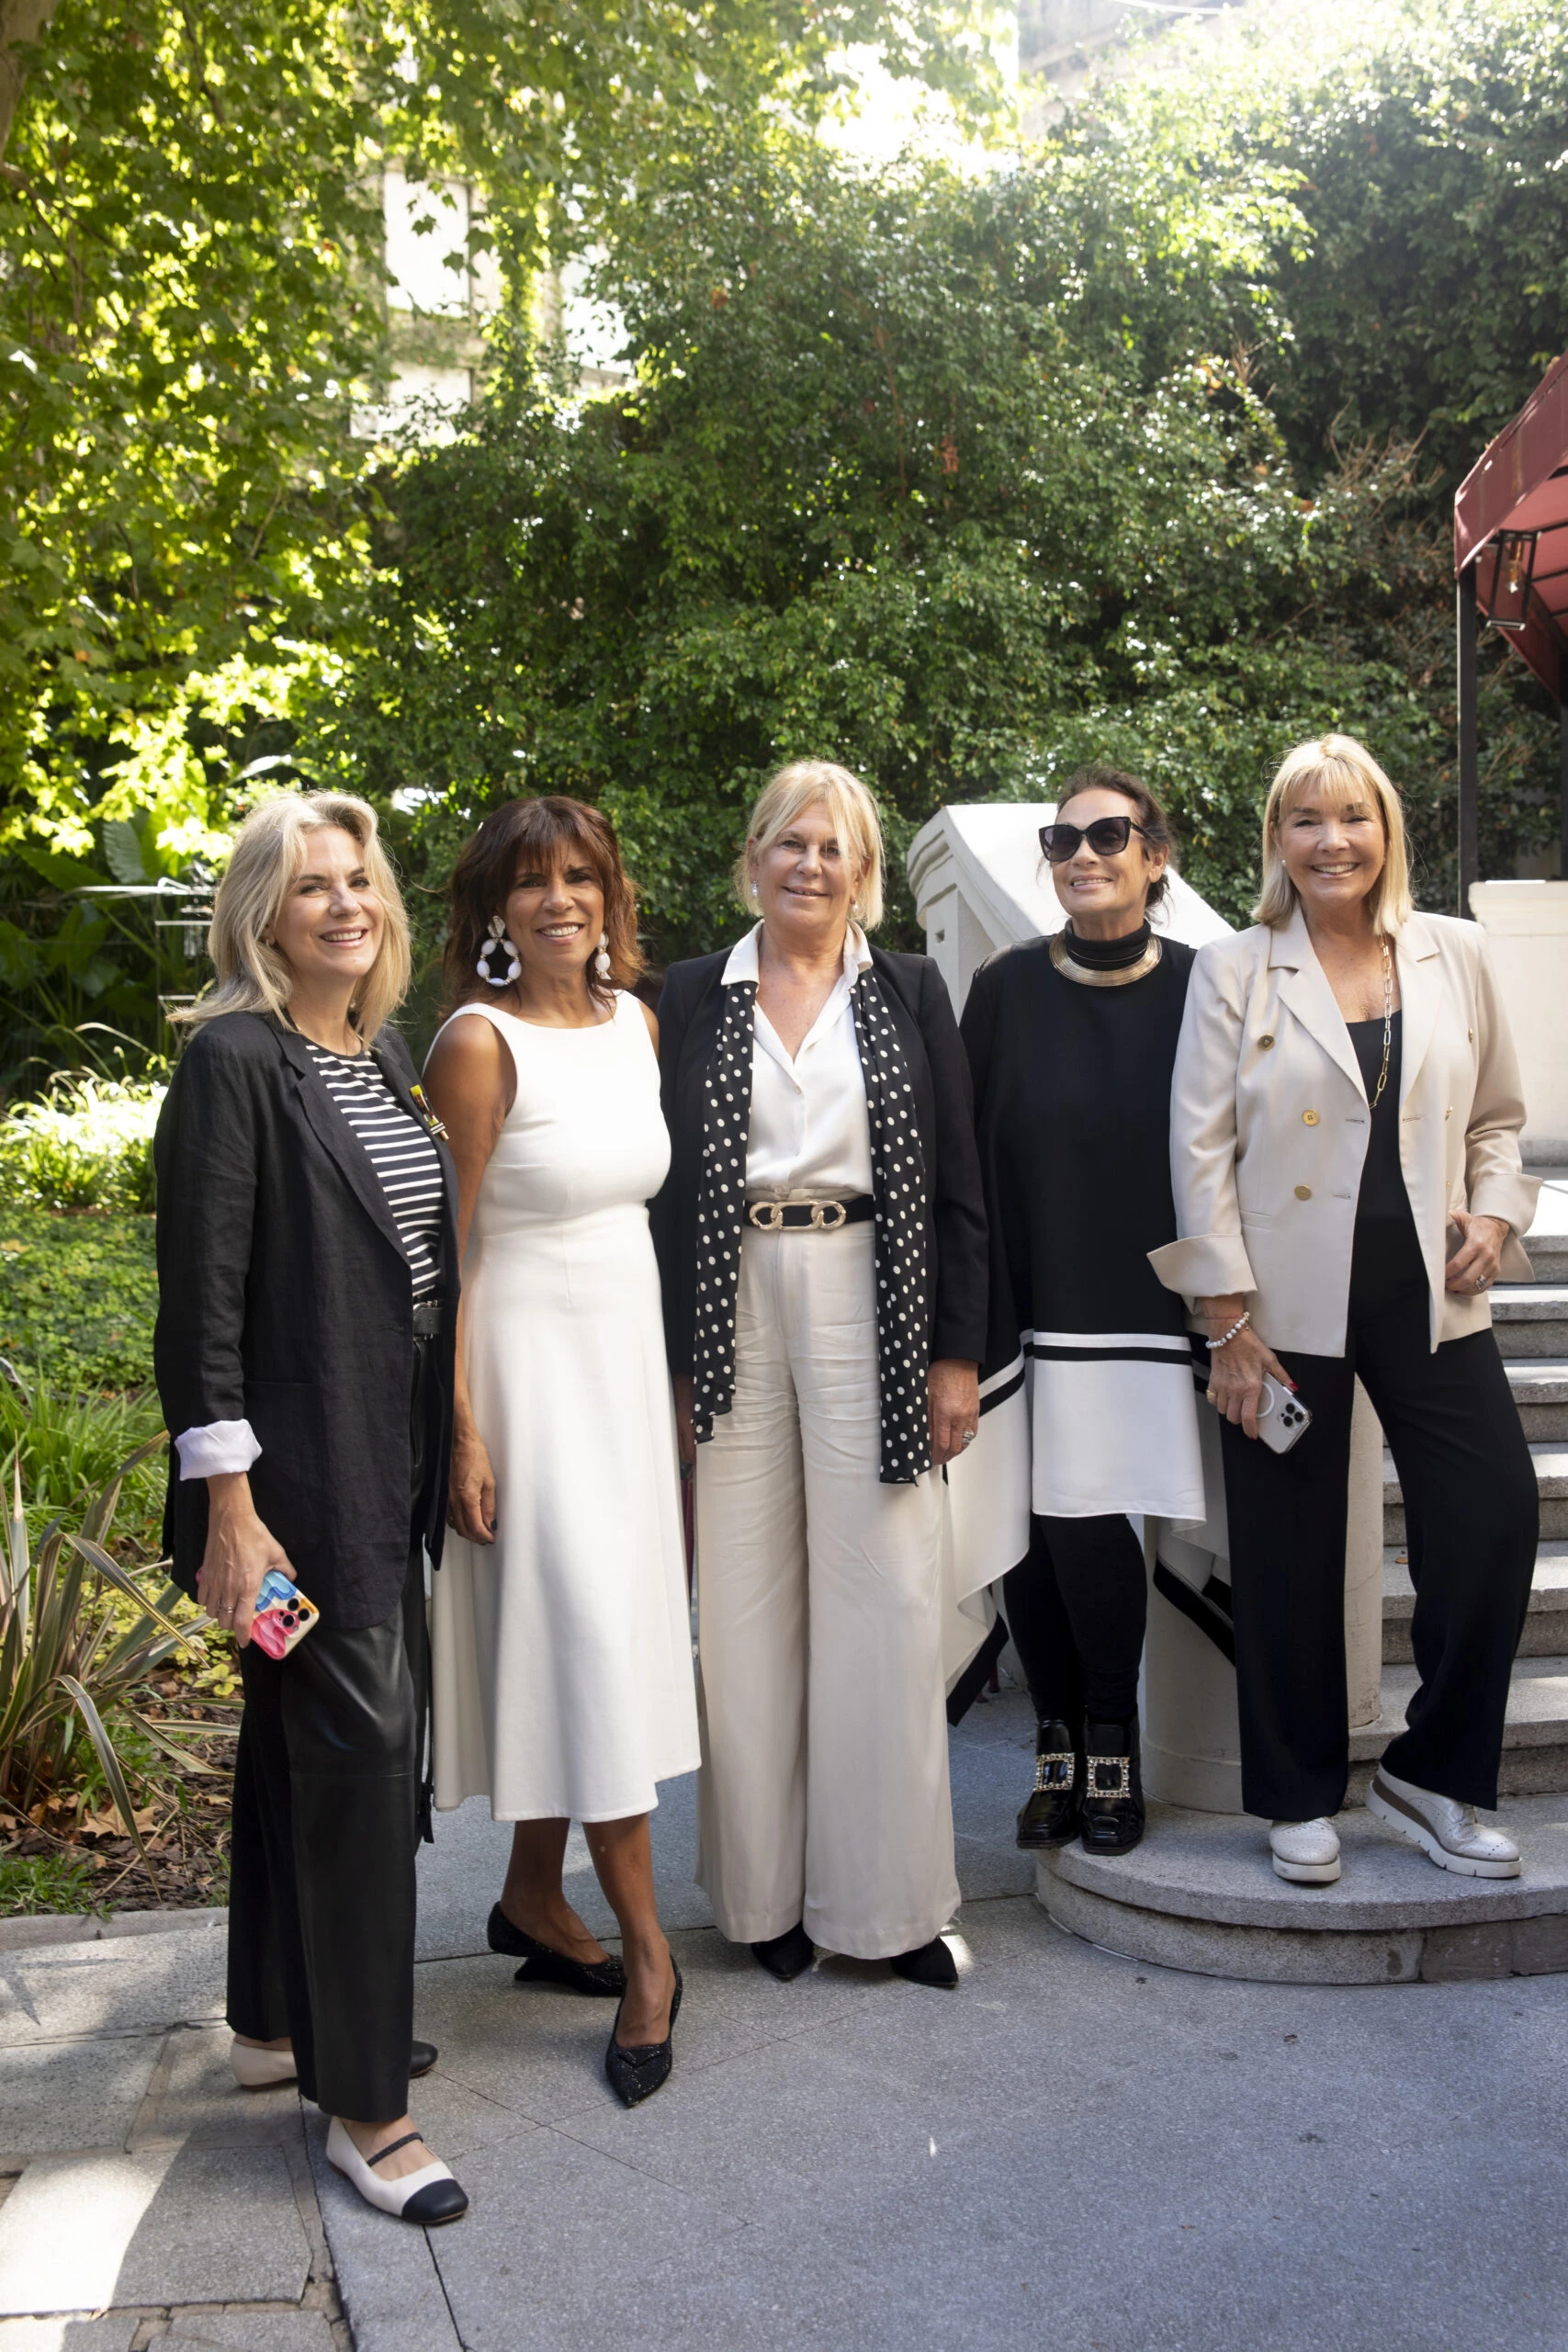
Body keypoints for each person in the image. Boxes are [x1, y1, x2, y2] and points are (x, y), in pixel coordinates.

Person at [154, 792, 467, 2226]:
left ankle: (279, 2018)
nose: (347, 904)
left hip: (374, 1479)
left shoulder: (376, 1055)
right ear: (261, 917)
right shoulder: (233, 1063)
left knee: (299, 1742)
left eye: (361, 881)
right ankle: (368, 2112)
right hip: (283, 1509)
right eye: (311, 887)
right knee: (360, 1752)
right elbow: (201, 1304)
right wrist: (229, 1511)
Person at [1152, 734, 1539, 1885]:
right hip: (1280, 1305)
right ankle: (1297, 1790)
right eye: (1307, 820)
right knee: (1287, 1552)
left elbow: (1501, 1118)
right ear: (1277, 840)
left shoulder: (1453, 953)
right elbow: (1199, 1150)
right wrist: (1223, 1322)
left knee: (1494, 1516)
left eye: (1354, 817)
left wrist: (1496, 1212)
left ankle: (1434, 1775)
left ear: (1387, 831)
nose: (1333, 841)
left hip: (1431, 1290)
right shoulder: (1233, 967)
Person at [652, 761, 987, 1990]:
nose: (807, 864)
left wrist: (955, 1354)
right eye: (787, 843)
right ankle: (764, 1899)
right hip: (726, 1294)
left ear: (863, 875)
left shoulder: (905, 992)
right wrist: (669, 1360)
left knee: (887, 1603)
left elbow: (959, 1185)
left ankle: (889, 1907)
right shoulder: (687, 996)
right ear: (751, 859)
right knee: (739, 1610)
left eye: (832, 847)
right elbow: (653, 1191)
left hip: (872, 1301)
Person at [423, 796, 698, 2108]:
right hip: (522, 1375)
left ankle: (534, 1894)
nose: (557, 901)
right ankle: (649, 1956)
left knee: (593, 1634)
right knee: (584, 1641)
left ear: (608, 894)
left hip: (619, 1371)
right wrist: (462, 1424)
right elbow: (445, 1254)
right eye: (528, 883)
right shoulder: (475, 1047)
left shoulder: (636, 1025)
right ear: (491, 912)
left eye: (579, 875)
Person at [959, 769, 1205, 1857]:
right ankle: (1055, 1743)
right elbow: (963, 1157)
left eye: (1111, 834)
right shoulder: (1004, 990)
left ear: (1158, 857)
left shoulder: (1209, 984)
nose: (1083, 853)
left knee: (1089, 1518)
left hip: (1141, 1303)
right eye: (1063, 838)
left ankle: (1113, 1738)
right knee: (1026, 1527)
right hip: (1023, 1294)